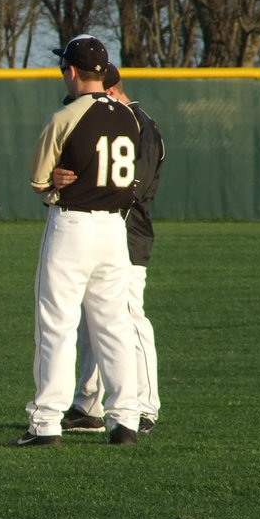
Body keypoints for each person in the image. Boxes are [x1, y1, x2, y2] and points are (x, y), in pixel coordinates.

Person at [13, 35, 142, 447]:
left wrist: (54, 182)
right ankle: (125, 421)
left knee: (56, 326)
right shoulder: (129, 117)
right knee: (115, 328)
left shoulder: (65, 117)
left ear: (71, 71)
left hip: (72, 226)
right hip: (114, 230)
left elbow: (37, 180)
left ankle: (47, 423)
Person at [57, 63, 165, 435]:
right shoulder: (103, 120)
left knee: (129, 318)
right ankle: (88, 405)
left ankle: (145, 405)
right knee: (93, 322)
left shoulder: (138, 124)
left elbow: (132, 189)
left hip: (128, 234)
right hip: (100, 234)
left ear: (111, 89)